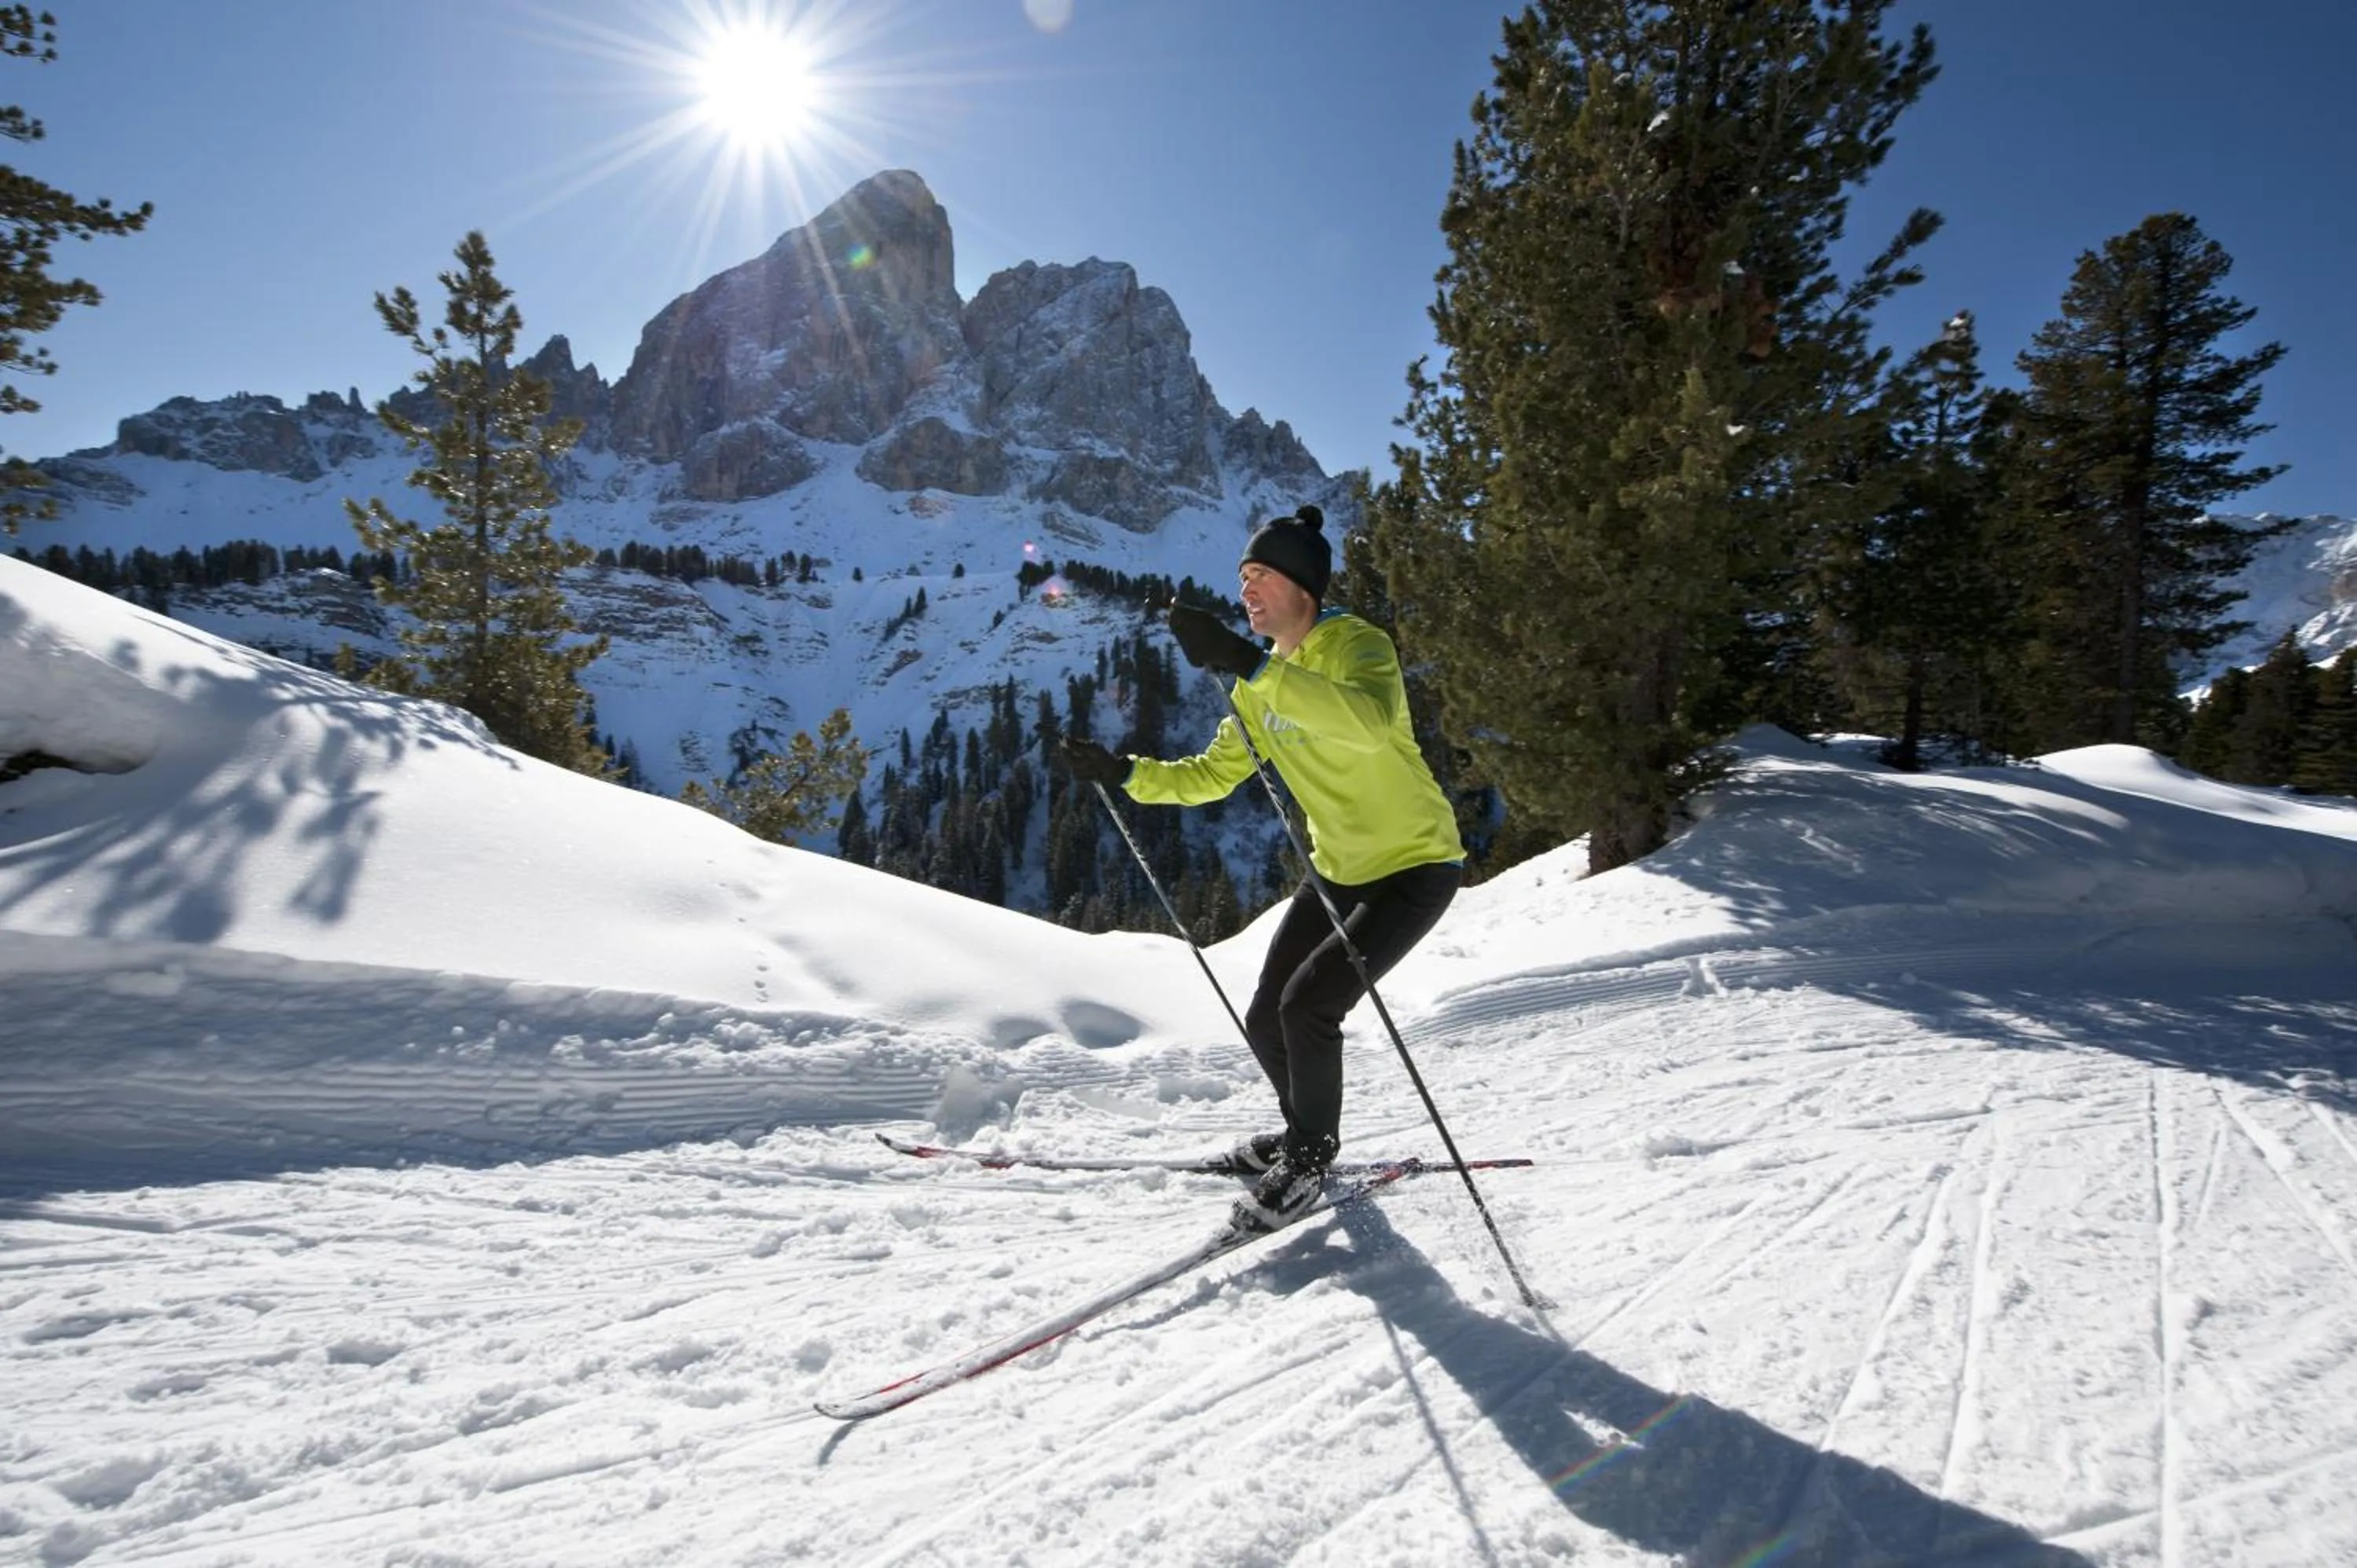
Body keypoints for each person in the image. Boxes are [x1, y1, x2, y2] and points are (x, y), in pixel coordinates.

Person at [1060, 505, 1464, 1232]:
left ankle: (1308, 1161)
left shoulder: (1355, 646)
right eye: (1242, 577)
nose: (1245, 590)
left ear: (1303, 588)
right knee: (1265, 1017)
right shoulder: (1262, 681)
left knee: (1310, 1006)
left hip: (1416, 866)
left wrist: (1247, 663)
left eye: (1260, 576)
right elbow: (1213, 775)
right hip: (1339, 871)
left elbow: (1367, 726)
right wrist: (1122, 773)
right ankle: (1305, 1137)